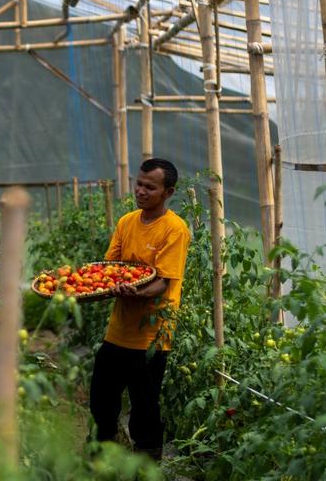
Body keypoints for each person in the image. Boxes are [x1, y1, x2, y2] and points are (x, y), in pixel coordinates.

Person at [90, 157, 192, 460]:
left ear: (168, 192)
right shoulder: (127, 222)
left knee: (144, 404)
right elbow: (111, 266)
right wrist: (109, 283)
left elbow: (163, 282)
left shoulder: (175, 229)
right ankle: (104, 454)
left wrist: (134, 292)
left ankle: (147, 463)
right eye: (139, 184)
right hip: (119, 330)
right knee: (101, 398)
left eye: (150, 187)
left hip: (153, 335)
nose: (141, 191)